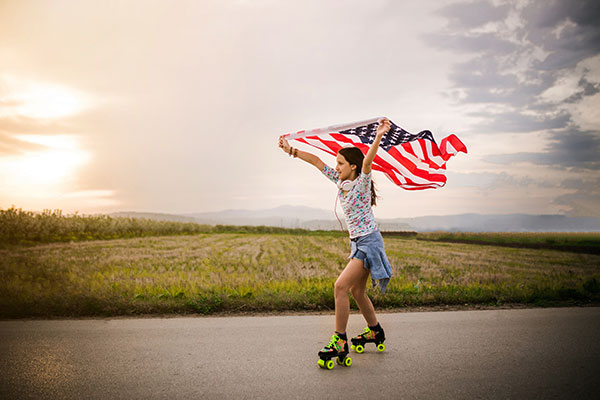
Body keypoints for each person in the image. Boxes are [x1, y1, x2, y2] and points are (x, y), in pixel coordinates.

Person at [278, 117, 394, 367]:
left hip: (368, 243)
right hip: (358, 242)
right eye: (337, 163)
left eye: (341, 163)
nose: (336, 166)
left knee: (340, 287)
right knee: (356, 290)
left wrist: (378, 136)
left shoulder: (361, 183)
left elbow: (369, 159)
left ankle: (340, 340)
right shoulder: (341, 182)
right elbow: (317, 162)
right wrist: (292, 151)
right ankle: (375, 330)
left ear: (353, 166)